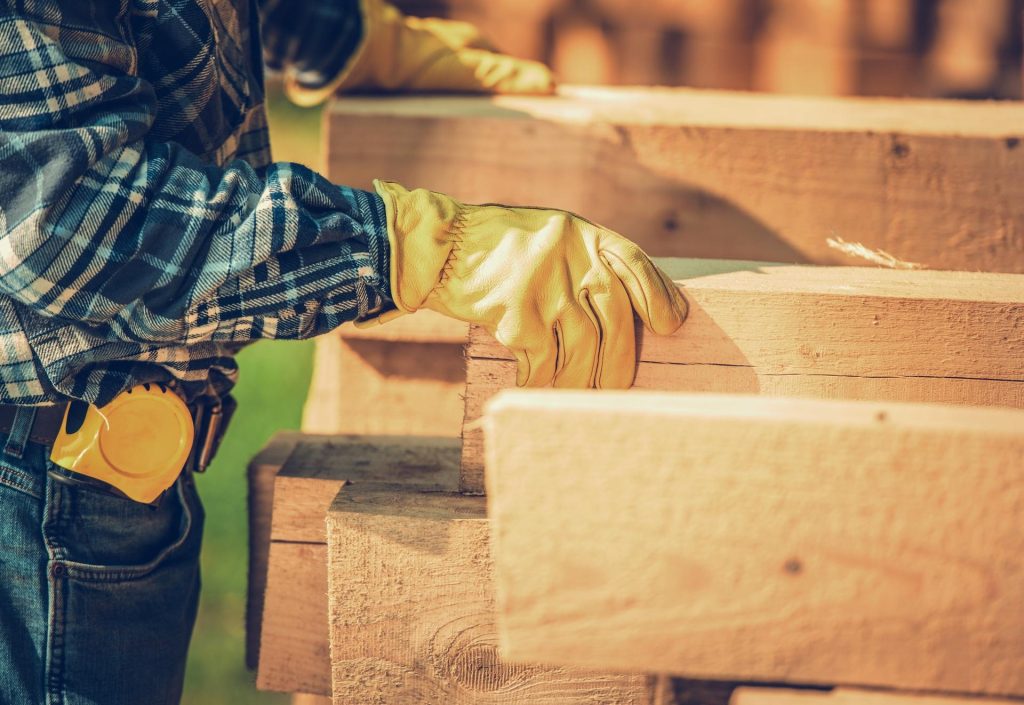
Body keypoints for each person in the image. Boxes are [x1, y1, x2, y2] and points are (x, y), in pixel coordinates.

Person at [0, 0, 687, 702]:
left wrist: (336, 32)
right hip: (32, 488)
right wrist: (414, 249)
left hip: (97, 479)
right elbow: (58, 217)